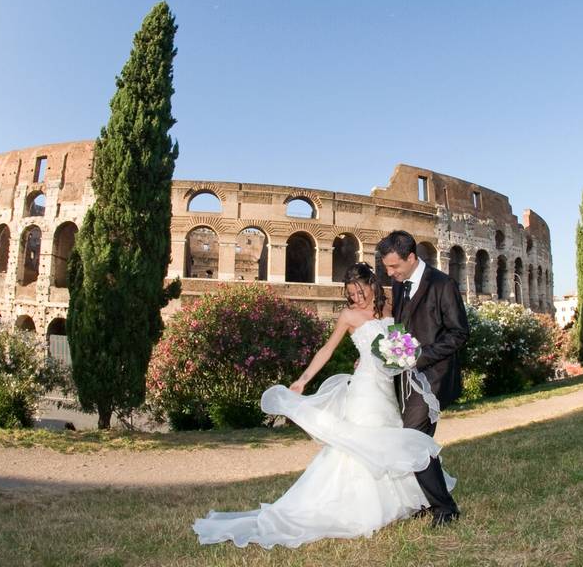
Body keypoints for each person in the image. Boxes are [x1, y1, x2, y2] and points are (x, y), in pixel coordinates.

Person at [193, 263, 452, 548]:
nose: (357, 298)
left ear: (373, 284)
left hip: (387, 389)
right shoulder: (349, 315)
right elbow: (327, 349)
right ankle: (354, 508)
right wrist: (303, 380)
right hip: (365, 389)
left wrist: (401, 355)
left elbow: (399, 340)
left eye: (361, 290)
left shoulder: (390, 305)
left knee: (388, 439)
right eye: (351, 293)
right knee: (361, 443)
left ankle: (402, 502)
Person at [378, 230, 468, 527]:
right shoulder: (398, 282)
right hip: (404, 376)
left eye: (394, 267)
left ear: (412, 257)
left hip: (433, 377)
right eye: (387, 268)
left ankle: (445, 508)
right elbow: (399, 326)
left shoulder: (444, 285)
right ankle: (424, 500)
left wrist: (421, 355)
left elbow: (459, 333)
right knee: (417, 441)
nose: (390, 273)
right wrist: (391, 351)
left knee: (412, 439)